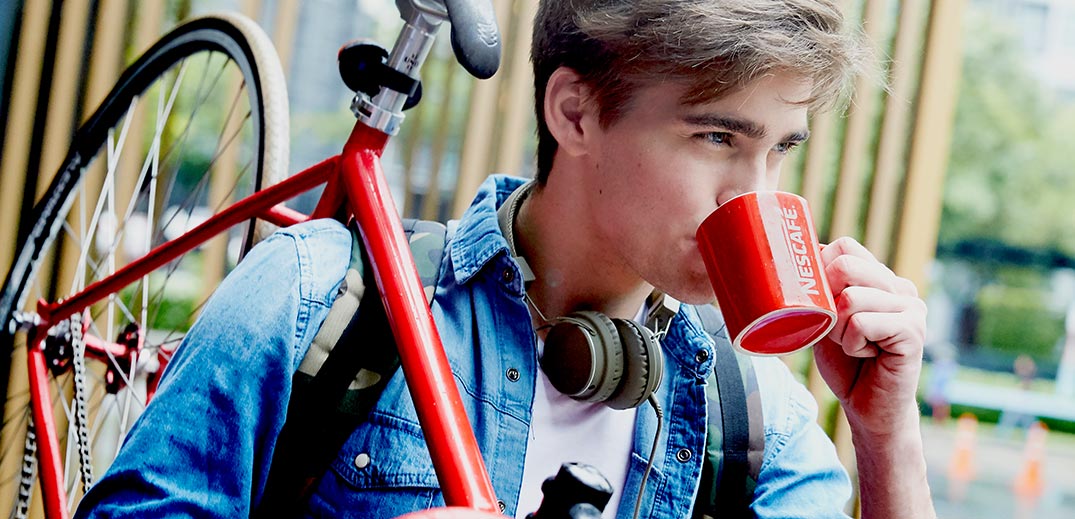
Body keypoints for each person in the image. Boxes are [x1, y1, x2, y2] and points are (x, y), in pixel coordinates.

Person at [77, 1, 935, 518]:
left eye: (781, 150)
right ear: (576, 113)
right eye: (717, 137)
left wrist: (884, 436)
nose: (747, 194)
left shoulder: (750, 416)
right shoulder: (313, 296)